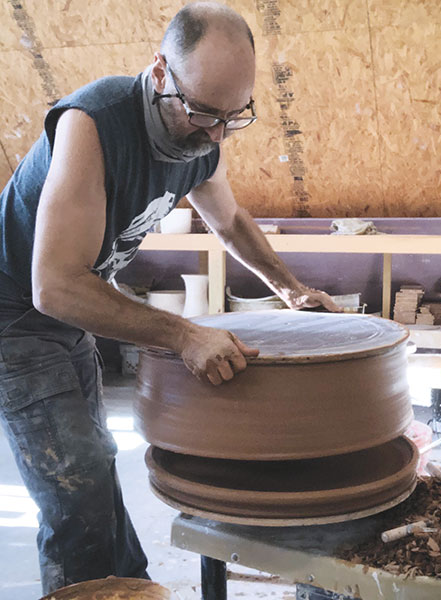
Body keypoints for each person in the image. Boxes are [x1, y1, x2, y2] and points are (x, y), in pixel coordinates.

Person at [0, 2, 339, 594]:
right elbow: (53, 284)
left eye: (234, 117)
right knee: (72, 478)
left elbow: (229, 222)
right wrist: (184, 335)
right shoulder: (94, 123)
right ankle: (87, 588)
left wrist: (291, 288)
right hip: (15, 315)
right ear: (160, 73)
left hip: (70, 309)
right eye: (203, 111)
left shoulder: (204, 140)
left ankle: (130, 583)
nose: (215, 132)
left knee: (98, 460)